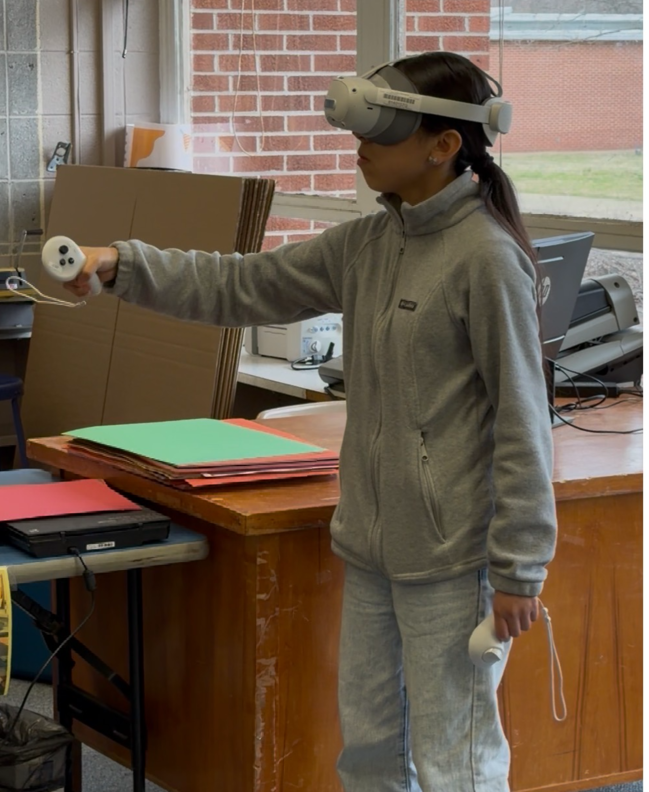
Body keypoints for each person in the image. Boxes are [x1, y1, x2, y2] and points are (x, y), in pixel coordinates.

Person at [61, 51, 556, 792]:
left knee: (455, 758)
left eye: (379, 136)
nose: (359, 152)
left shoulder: (484, 259)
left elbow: (523, 422)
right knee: (369, 749)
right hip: (369, 547)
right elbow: (243, 283)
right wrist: (121, 265)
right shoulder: (367, 243)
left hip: (450, 563)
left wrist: (519, 568)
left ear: (443, 144)